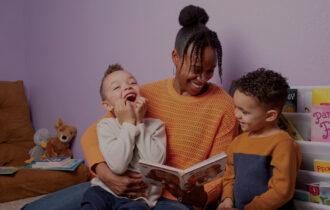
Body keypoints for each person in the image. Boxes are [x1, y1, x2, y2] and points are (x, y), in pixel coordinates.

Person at [23, 4, 237, 210]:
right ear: (175, 57)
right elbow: (91, 135)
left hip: (174, 201)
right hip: (116, 188)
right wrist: (109, 177)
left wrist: (203, 196)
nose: (203, 79)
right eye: (196, 69)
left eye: (209, 71)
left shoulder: (224, 105)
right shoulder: (142, 93)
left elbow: (222, 169)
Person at [81, 64, 166, 209]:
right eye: (116, 87)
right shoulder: (105, 126)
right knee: (91, 201)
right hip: (104, 191)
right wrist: (128, 124)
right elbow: (118, 166)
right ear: (108, 106)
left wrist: (139, 123)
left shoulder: (156, 126)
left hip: (138, 200)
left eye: (132, 83)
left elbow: (154, 164)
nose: (127, 87)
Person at [217, 68, 302, 210]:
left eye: (244, 111)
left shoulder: (283, 144)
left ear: (270, 116)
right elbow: (229, 176)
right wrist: (227, 200)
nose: (237, 114)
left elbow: (282, 191)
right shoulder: (238, 142)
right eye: (236, 107)